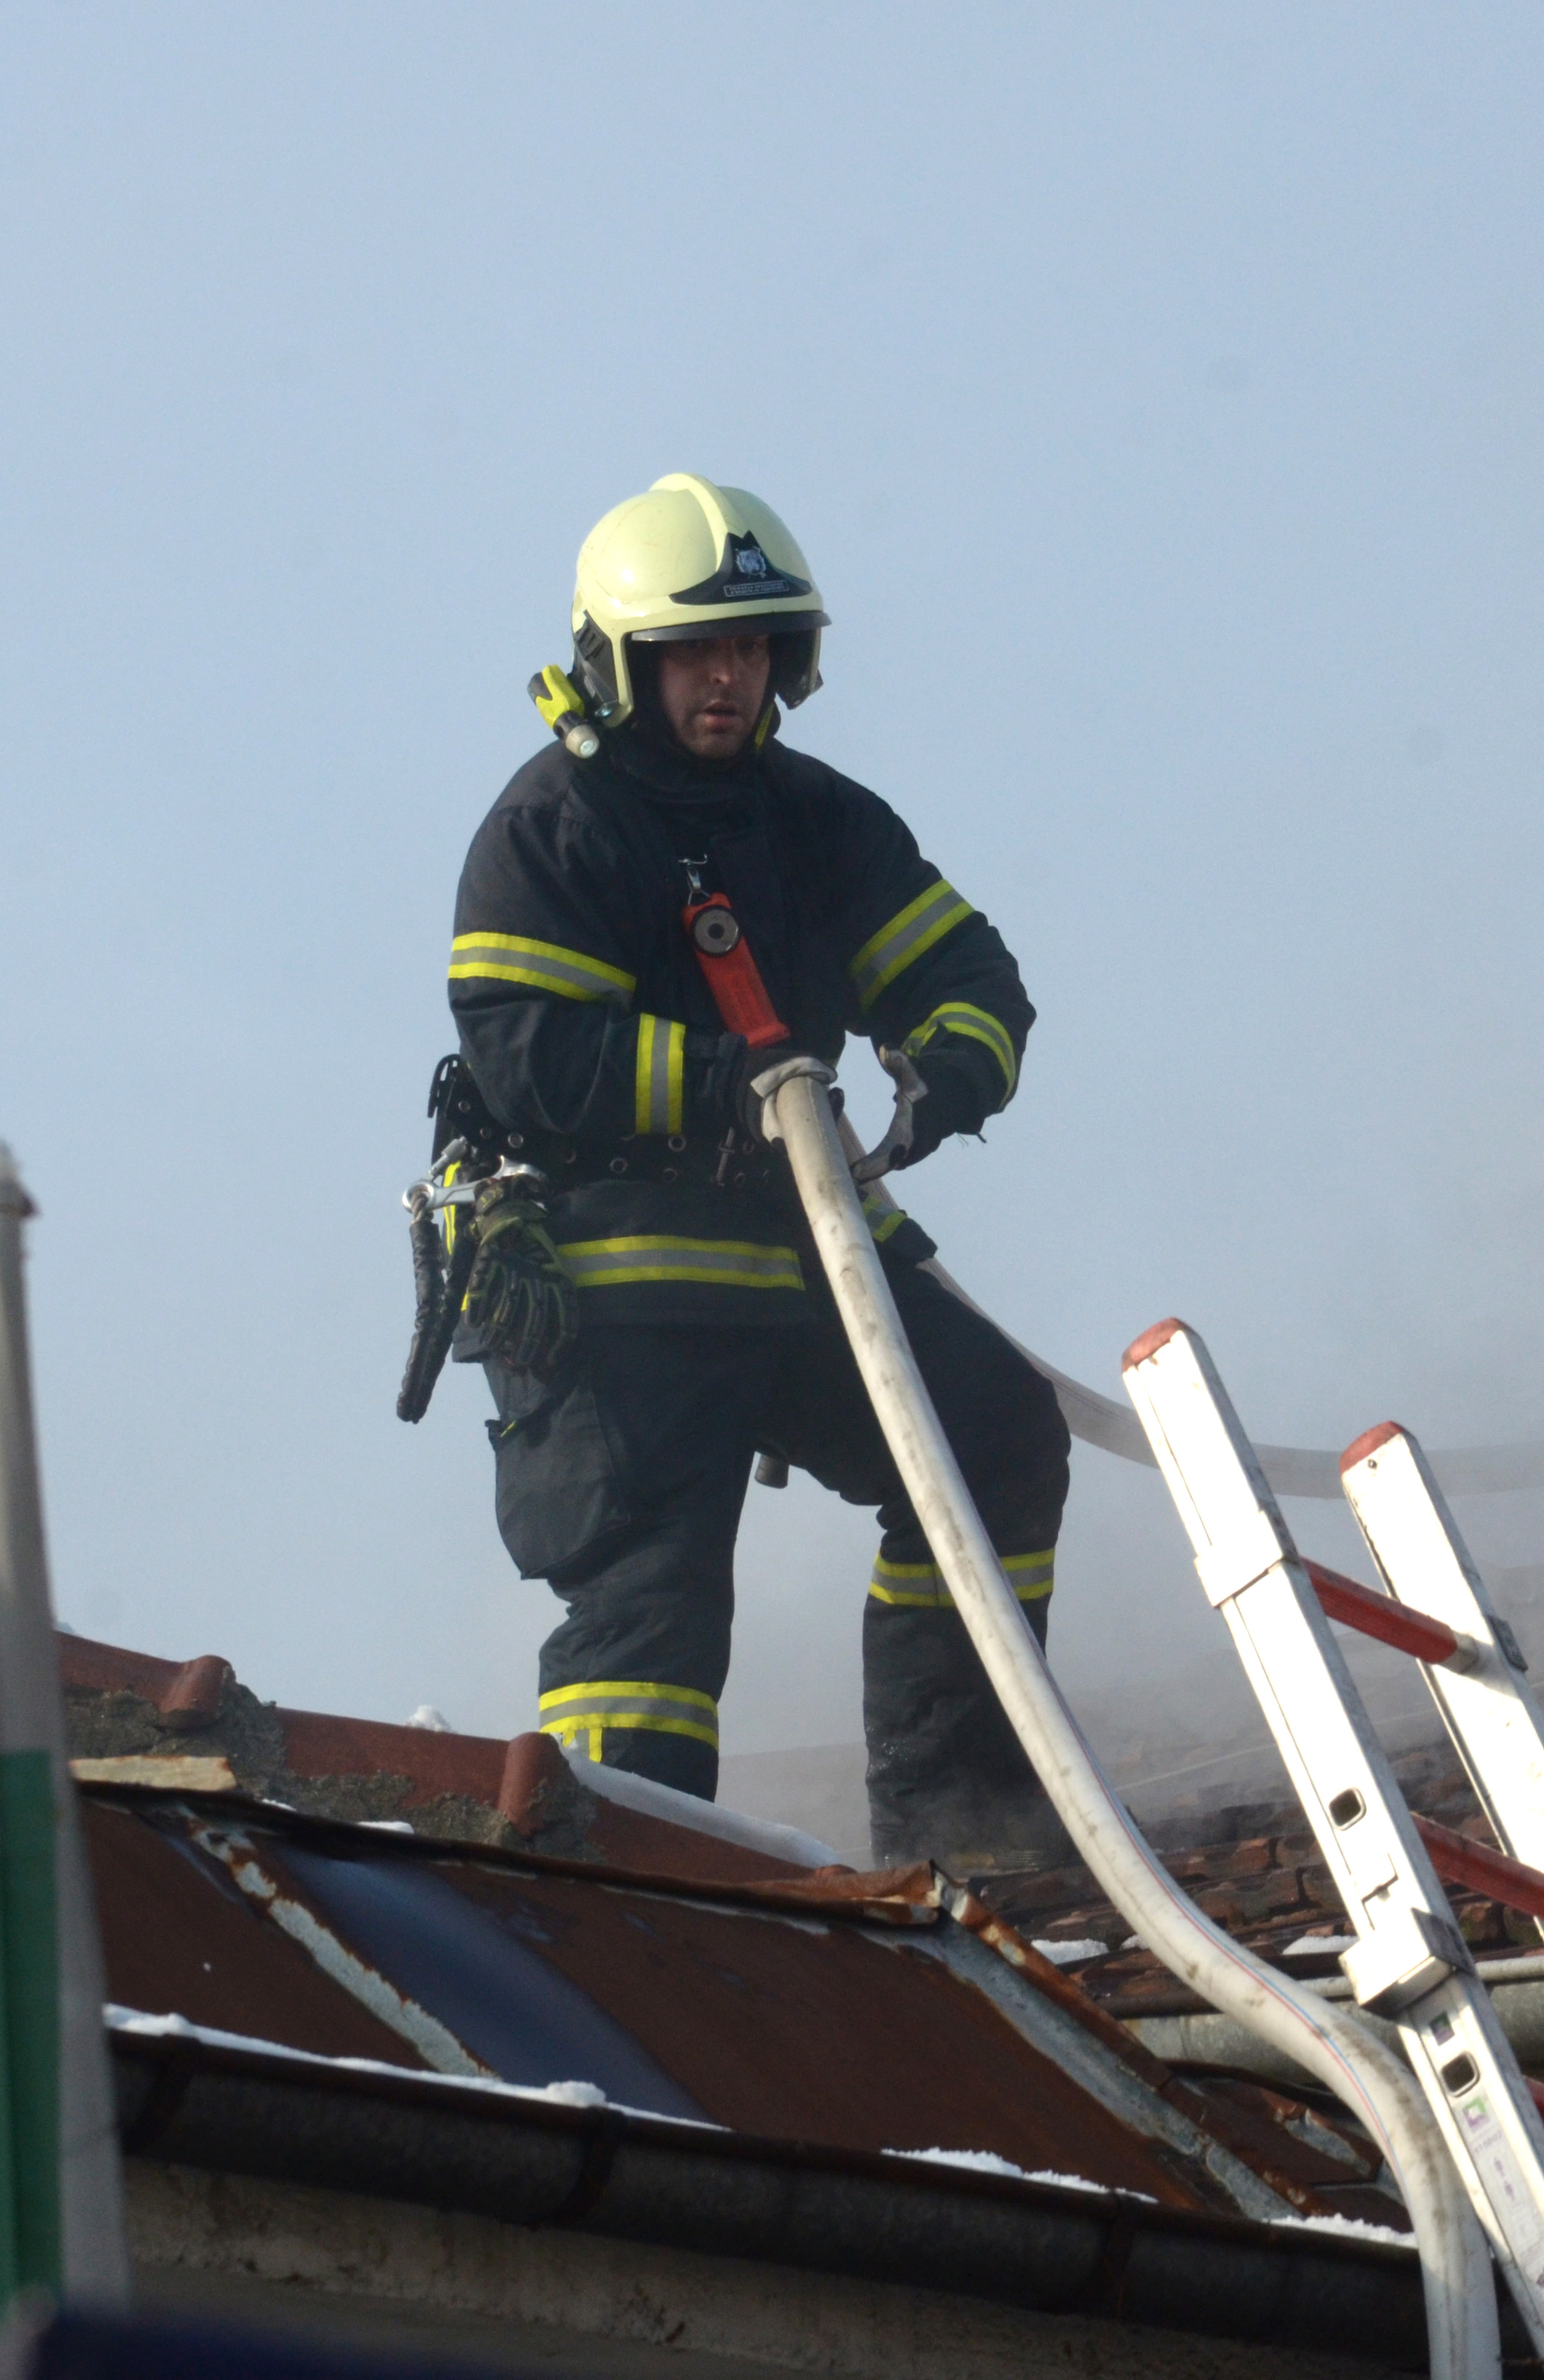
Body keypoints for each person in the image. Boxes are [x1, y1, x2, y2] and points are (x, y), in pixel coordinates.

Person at [433, 472, 1069, 1868]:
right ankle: (634, 1912)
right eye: (694, 653)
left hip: (797, 1263)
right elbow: (527, 1054)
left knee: (998, 1436)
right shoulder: (554, 831)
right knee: (654, 1610)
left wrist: (941, 1073)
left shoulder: (815, 820)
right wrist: (744, 1085)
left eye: (752, 648)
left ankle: (967, 1838)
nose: (729, 680)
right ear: (623, 659)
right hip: (617, 1297)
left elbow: (968, 979)